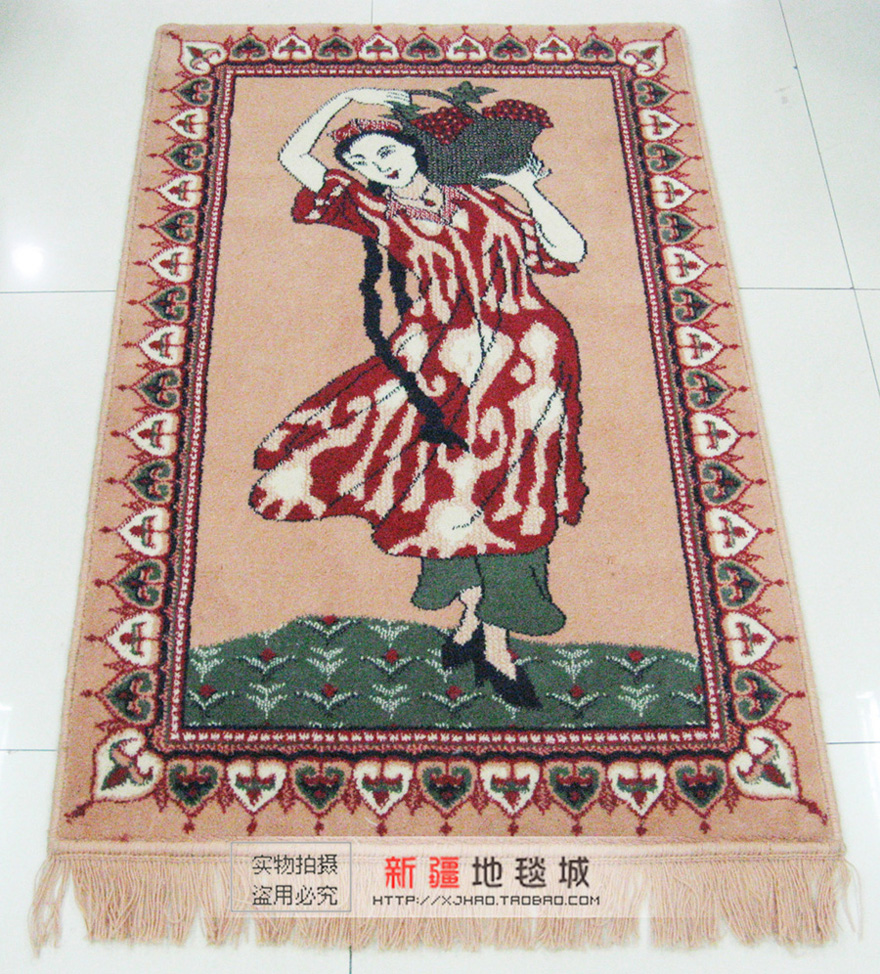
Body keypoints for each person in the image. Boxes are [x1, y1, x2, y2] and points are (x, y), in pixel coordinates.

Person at [249, 87, 589, 709]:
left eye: (387, 152)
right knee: (439, 481)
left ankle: (494, 639)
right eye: (362, 162)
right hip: (439, 354)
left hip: (527, 354)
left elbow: (570, 251)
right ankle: (471, 615)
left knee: (516, 487)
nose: (379, 166)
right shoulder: (374, 210)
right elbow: (293, 156)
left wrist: (529, 189)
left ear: (413, 148)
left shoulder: (482, 198)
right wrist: (346, 96)